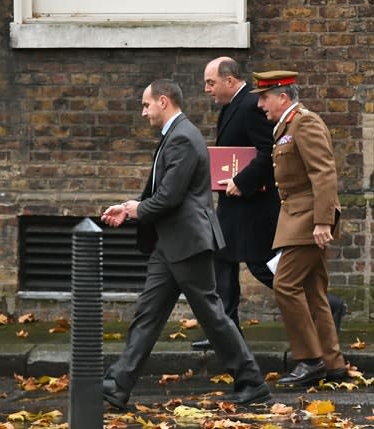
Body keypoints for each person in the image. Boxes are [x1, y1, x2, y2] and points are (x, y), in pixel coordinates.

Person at [100, 79, 271, 408]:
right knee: (148, 314)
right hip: (170, 241)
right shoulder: (175, 136)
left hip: (187, 241)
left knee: (212, 315)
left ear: (164, 101)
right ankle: (118, 384)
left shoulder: (182, 137)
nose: (143, 112)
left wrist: (136, 210)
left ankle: (251, 380)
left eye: (146, 105)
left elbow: (169, 197)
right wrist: (130, 208)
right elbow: (160, 192)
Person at [252, 70, 347, 386]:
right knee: (313, 291)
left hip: (307, 220)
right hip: (299, 218)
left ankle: (309, 359)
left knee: (285, 285)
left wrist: (322, 221)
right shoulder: (288, 126)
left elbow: (323, 173)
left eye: (264, 98)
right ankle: (332, 362)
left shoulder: (304, 123)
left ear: (282, 97)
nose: (261, 105)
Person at [191, 57, 280, 350]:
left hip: (252, 206)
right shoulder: (234, 105)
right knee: (222, 261)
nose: (207, 89)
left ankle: (327, 307)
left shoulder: (250, 106)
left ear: (230, 81)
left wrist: (242, 182)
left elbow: (268, 153)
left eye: (211, 82)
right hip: (233, 205)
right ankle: (226, 333)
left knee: (262, 266)